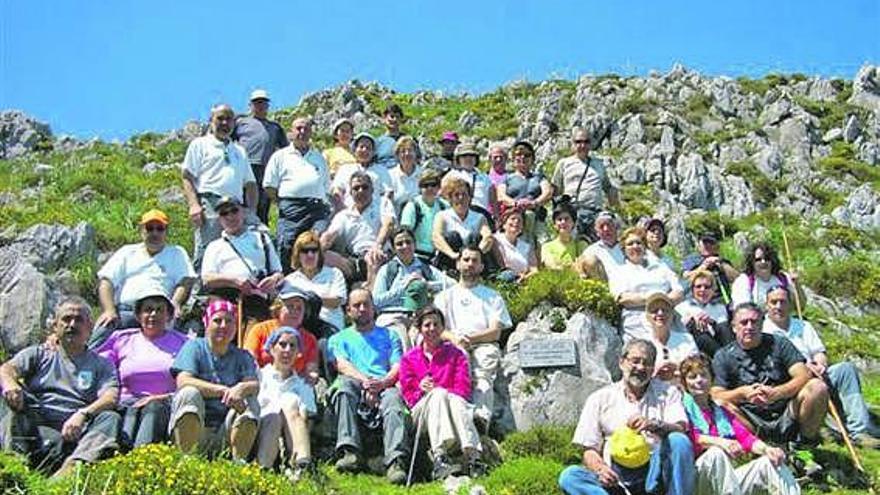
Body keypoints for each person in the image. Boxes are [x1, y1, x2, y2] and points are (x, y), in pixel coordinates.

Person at [0, 298, 121, 477]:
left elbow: (110, 396)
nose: (72, 324)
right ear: (55, 326)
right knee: (8, 395)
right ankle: (14, 466)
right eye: (66, 319)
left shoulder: (101, 364)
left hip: (77, 428)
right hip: (37, 420)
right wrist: (10, 384)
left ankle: (71, 470)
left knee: (110, 418)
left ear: (90, 327)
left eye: (79, 319)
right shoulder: (39, 353)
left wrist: (83, 414)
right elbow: (7, 369)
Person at [558, 339, 695, 495]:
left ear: (652, 369)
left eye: (647, 363)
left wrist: (654, 425)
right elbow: (589, 449)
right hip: (617, 478)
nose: (641, 367)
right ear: (622, 362)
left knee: (678, 440)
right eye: (635, 361)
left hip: (655, 473)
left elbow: (681, 427)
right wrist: (600, 469)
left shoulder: (668, 393)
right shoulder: (600, 398)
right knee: (570, 476)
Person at [763, 286, 880, 447]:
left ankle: (859, 429)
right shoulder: (764, 330)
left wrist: (820, 364)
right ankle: (818, 430)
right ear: (766, 305)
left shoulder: (803, 325)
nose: (778, 306)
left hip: (817, 372)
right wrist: (803, 368)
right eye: (773, 302)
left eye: (782, 301)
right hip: (792, 379)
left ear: (790, 304)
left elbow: (819, 352)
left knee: (845, 370)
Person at [711, 303, 829, 448]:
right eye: (743, 322)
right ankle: (758, 446)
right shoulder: (723, 356)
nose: (749, 327)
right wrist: (743, 393)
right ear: (734, 327)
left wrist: (777, 393)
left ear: (762, 324)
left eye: (754, 322)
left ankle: (805, 444)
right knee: (721, 404)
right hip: (750, 418)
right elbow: (716, 394)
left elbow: (803, 375)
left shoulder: (780, 344)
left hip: (786, 410)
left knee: (817, 387)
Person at [680, 355, 801, 495]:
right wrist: (721, 442)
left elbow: (745, 438)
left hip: (726, 484)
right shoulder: (681, 409)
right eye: (692, 377)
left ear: (712, 380)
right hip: (696, 482)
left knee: (772, 462)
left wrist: (767, 449)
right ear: (685, 383)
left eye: (703, 375)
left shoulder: (720, 411)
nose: (699, 380)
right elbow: (690, 438)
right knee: (715, 453)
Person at [327, 289, 410, 484]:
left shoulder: (390, 335)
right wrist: (365, 382)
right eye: (356, 305)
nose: (362, 309)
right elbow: (342, 364)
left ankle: (395, 462)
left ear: (374, 309)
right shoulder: (338, 338)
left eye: (366, 304)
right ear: (348, 311)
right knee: (343, 388)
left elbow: (397, 365)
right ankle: (349, 451)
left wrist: (382, 383)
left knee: (394, 401)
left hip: (385, 382)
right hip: (355, 381)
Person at [399, 306, 485, 480]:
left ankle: (473, 457)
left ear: (442, 327)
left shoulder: (456, 355)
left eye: (436, 325)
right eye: (427, 325)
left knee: (450, 398)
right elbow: (408, 396)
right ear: (420, 329)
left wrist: (442, 392)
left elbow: (463, 389)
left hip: (453, 406)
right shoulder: (409, 358)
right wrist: (420, 390)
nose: (432, 329)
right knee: (438, 394)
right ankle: (440, 457)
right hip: (421, 413)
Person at [90, 209, 195, 348]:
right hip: (126, 312)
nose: (155, 233)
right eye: (150, 228)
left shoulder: (177, 252)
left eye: (160, 228)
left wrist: (175, 303)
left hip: (159, 312)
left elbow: (185, 281)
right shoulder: (127, 252)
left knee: (178, 347)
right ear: (141, 230)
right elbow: (106, 282)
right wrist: (109, 310)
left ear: (166, 231)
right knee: (99, 339)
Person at [95, 291, 188, 448]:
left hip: (165, 403)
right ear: (138, 315)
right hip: (126, 404)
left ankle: (141, 456)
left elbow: (193, 379)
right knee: (128, 414)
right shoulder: (121, 338)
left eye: (160, 310)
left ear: (169, 316)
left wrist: (162, 398)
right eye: (148, 309)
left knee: (153, 409)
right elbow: (95, 361)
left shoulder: (184, 343)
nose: (153, 314)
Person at [169, 300, 259, 461]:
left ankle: (238, 464)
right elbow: (183, 381)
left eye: (229, 321)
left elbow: (253, 385)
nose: (223, 326)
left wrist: (242, 388)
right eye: (217, 320)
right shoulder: (194, 347)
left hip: (225, 430)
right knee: (188, 393)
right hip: (198, 427)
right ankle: (187, 458)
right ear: (207, 323)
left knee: (250, 400)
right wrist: (224, 391)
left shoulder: (243, 356)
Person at [433, 245, 512, 430]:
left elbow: (496, 332)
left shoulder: (492, 296)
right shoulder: (444, 296)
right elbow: (438, 330)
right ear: (458, 264)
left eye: (475, 261)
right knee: (457, 369)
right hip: (453, 344)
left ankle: (480, 420)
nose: (470, 264)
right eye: (466, 260)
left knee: (483, 374)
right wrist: (455, 339)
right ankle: (457, 420)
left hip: (485, 344)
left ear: (482, 267)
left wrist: (470, 339)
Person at [181, 103, 258, 271]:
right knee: (207, 249)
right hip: (210, 203)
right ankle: (199, 295)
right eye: (220, 118)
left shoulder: (239, 150)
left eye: (228, 119)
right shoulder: (199, 144)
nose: (224, 123)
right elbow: (187, 176)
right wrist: (194, 205)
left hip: (236, 206)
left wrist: (251, 210)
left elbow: (250, 183)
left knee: (254, 241)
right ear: (211, 121)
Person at [263, 117, 331, 273]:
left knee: (315, 244)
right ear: (291, 132)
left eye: (306, 128)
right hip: (291, 208)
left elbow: (326, 187)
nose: (302, 132)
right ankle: (286, 281)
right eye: (299, 128)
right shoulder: (280, 156)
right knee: (287, 244)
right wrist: (283, 203)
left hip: (317, 208)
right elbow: (269, 186)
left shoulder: (319, 158)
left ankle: (313, 279)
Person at [201, 196, 284, 322]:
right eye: (224, 214)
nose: (230, 217)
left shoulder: (261, 238)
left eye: (234, 211)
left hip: (257, 300)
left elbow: (278, 273)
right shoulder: (214, 246)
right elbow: (207, 279)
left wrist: (272, 280)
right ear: (219, 219)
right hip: (225, 299)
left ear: (243, 212)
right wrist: (234, 281)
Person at [373, 227, 452, 350]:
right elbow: (376, 301)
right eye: (399, 244)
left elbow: (452, 284)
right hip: (393, 317)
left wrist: (428, 285)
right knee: (403, 345)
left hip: (419, 318)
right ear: (393, 249)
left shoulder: (425, 267)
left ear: (414, 244)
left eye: (408, 242)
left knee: (428, 345)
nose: (405, 246)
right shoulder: (387, 270)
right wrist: (403, 288)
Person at [255, 326, 317, 479]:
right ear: (272, 349)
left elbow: (306, 420)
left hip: (291, 438)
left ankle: (302, 464)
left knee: (291, 402)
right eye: (282, 345)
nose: (287, 350)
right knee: (279, 411)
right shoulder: (259, 377)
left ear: (298, 353)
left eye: (292, 346)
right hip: (262, 434)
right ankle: (263, 469)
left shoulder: (303, 385)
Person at [608, 227, 684, 342]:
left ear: (644, 246)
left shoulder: (661, 267)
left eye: (638, 243)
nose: (635, 246)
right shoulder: (618, 271)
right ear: (623, 250)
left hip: (667, 317)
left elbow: (679, 291)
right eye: (630, 244)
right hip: (637, 321)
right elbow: (623, 298)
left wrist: (662, 304)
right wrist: (655, 299)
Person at [321, 171, 396, 284]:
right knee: (323, 257)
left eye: (365, 187)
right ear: (350, 192)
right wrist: (316, 250)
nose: (361, 191)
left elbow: (388, 224)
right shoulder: (344, 214)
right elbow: (329, 236)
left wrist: (377, 246)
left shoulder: (382, 203)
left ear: (372, 190)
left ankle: (370, 295)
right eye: (356, 188)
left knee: (373, 259)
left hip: (379, 256)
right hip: (353, 262)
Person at [551, 127, 619, 242]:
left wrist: (616, 208)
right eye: (578, 142)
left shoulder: (599, 164)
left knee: (600, 245)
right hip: (573, 212)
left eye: (586, 142)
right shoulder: (564, 163)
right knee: (573, 245)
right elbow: (555, 188)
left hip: (595, 213)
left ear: (590, 144)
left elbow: (608, 187)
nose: (582, 145)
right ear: (573, 144)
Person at [233, 89, 289, 224]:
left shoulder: (275, 127)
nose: (260, 105)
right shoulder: (241, 123)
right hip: (246, 167)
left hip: (265, 169)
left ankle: (261, 235)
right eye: (257, 102)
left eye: (263, 103)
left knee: (263, 206)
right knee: (243, 203)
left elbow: (286, 149)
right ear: (250, 105)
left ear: (268, 105)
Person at [242, 286, 320, 383]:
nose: (295, 312)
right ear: (278, 308)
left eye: (299, 308)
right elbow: (249, 362)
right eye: (290, 306)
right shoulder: (260, 330)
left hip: (294, 385)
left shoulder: (310, 339)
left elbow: (312, 371)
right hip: (261, 381)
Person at [285, 231, 347, 332]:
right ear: (297, 254)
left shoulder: (334, 273)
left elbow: (337, 301)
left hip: (329, 325)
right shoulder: (290, 280)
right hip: (301, 327)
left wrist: (310, 300)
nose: (310, 255)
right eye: (305, 251)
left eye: (314, 250)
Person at [496, 140, 552, 245]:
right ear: (513, 158)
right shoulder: (507, 179)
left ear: (532, 159)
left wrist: (534, 203)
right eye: (518, 154)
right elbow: (500, 195)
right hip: (514, 217)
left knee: (544, 243)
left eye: (527, 155)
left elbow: (547, 192)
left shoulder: (539, 177)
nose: (522, 157)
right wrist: (516, 203)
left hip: (536, 217)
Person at [432, 177, 493, 273]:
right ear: (450, 199)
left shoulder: (479, 217)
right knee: (453, 236)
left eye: (464, 194)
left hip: (472, 262)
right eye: (456, 195)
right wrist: (454, 255)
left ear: (469, 198)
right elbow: (436, 238)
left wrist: (475, 255)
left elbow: (488, 237)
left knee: (474, 236)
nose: (461, 198)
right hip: (450, 260)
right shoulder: (442, 216)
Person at [675, 270, 734, 357]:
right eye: (698, 287)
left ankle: (727, 357)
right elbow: (678, 331)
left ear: (713, 290)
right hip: (695, 348)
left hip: (718, 343)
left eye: (707, 287)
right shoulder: (682, 308)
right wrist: (690, 319)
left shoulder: (720, 308)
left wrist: (711, 322)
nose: (702, 290)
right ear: (692, 289)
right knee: (696, 327)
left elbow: (724, 333)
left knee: (723, 326)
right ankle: (724, 358)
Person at [643, 293, 698, 384]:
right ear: (647, 316)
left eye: (665, 310)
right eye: (654, 310)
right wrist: (656, 370)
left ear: (672, 315)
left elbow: (696, 368)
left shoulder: (687, 339)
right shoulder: (642, 343)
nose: (660, 313)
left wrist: (676, 367)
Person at [730, 241, 804, 309]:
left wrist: (796, 284)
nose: (763, 262)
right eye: (758, 260)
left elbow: (800, 306)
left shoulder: (784, 278)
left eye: (767, 258)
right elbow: (742, 311)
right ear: (752, 262)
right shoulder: (743, 281)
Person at [332, 132, 394, 209]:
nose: (364, 150)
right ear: (354, 150)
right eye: (361, 147)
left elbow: (388, 192)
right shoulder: (345, 169)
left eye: (368, 148)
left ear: (373, 152)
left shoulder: (381, 170)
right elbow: (337, 190)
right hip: (348, 212)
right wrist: (340, 206)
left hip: (375, 213)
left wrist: (383, 210)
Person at [400, 169, 448, 262]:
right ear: (420, 188)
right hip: (417, 256)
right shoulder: (412, 206)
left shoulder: (444, 206)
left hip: (440, 256)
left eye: (433, 185)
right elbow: (405, 234)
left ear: (439, 187)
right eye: (425, 185)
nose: (429, 188)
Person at [441, 141, 495, 225]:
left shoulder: (485, 178)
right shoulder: (451, 175)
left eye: (471, 156)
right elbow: (442, 196)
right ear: (459, 159)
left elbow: (493, 201)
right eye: (464, 156)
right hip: (457, 217)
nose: (468, 159)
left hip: (480, 217)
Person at [681, 233, 738, 304]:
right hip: (697, 300)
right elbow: (686, 277)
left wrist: (721, 264)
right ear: (699, 245)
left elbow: (737, 278)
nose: (708, 246)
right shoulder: (691, 259)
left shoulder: (723, 261)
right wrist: (704, 266)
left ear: (717, 246)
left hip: (720, 301)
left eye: (711, 243)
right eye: (705, 243)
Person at [492, 208, 538, 282]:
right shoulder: (496, 239)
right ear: (504, 224)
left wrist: (525, 277)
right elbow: (502, 265)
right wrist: (516, 276)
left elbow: (534, 270)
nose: (516, 222)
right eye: (513, 219)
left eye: (520, 221)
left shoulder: (527, 246)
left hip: (524, 282)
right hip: (503, 281)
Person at [577, 212, 625, 281]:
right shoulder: (591, 251)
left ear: (616, 227)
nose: (606, 229)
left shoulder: (626, 247)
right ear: (597, 232)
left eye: (609, 225)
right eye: (601, 226)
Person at [541, 200, 588, 270]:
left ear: (573, 223)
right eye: (559, 219)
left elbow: (584, 266)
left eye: (566, 219)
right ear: (554, 225)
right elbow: (552, 267)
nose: (563, 222)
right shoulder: (547, 247)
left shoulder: (581, 245)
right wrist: (574, 266)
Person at [388, 136, 423, 214]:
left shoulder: (423, 175)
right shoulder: (390, 176)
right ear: (398, 155)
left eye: (410, 150)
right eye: (403, 151)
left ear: (416, 153)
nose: (407, 154)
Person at [374, 103, 404, 169]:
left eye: (397, 117)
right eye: (392, 116)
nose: (395, 119)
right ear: (384, 119)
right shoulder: (378, 142)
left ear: (401, 120)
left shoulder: (407, 140)